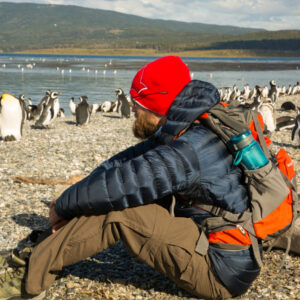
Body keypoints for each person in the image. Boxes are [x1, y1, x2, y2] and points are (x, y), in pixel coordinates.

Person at [0, 56, 261, 300]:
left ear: (157, 103)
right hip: (223, 244)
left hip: (220, 270)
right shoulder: (190, 127)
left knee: (119, 211)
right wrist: (76, 195)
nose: (132, 107)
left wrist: (62, 206)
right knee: (110, 195)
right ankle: (42, 249)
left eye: (138, 101)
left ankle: (27, 280)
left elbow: (120, 186)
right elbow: (123, 164)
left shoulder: (186, 150)